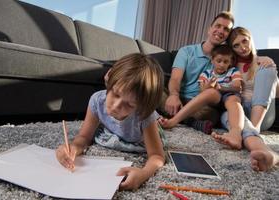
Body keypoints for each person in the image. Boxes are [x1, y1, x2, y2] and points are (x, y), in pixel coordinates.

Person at [56, 53, 166, 190]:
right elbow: (84, 137)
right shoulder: (97, 101)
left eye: (129, 105)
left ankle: (163, 121)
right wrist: (73, 148)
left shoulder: (144, 114)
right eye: (115, 93)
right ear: (108, 79)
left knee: (160, 125)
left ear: (141, 106)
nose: (115, 106)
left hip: (141, 133)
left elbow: (157, 155)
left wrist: (143, 174)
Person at [212, 27, 279, 171]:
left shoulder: (263, 62)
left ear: (250, 39)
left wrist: (272, 75)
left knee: (268, 69)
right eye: (236, 45)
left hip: (262, 112)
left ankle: (254, 129)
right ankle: (269, 154)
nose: (242, 48)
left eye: (244, 41)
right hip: (239, 111)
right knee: (227, 113)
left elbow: (275, 93)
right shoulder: (229, 66)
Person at [162, 11, 235, 133]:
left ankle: (175, 116)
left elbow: (247, 55)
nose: (221, 31)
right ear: (209, 29)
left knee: (213, 115)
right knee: (153, 91)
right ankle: (189, 121)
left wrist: (260, 58)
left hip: (200, 106)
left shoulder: (227, 59)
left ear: (228, 36)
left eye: (226, 29)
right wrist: (173, 95)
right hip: (178, 98)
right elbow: (175, 79)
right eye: (217, 26)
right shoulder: (186, 51)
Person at [159, 44, 244, 138]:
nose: (222, 64)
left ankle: (175, 120)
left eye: (225, 62)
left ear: (230, 63)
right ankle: (192, 122)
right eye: (219, 61)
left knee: (211, 96)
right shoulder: (206, 73)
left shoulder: (233, 71)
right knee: (155, 91)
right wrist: (207, 87)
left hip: (213, 104)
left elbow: (237, 87)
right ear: (212, 61)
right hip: (193, 103)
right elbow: (202, 90)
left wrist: (220, 88)